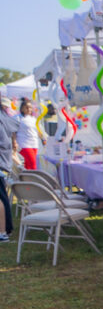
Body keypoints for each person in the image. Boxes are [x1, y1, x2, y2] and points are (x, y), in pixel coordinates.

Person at [0, 99, 19, 241]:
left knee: (1, 198)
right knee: (3, 197)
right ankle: (5, 229)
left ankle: (3, 231)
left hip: (1, 161)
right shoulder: (4, 116)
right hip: (4, 161)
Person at [16, 98, 39, 171]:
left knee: (28, 166)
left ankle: (27, 180)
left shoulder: (33, 118)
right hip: (24, 144)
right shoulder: (17, 118)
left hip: (34, 144)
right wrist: (14, 142)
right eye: (27, 107)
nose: (29, 109)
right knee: (33, 165)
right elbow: (12, 131)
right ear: (22, 108)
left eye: (30, 107)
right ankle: (33, 180)